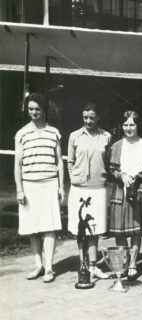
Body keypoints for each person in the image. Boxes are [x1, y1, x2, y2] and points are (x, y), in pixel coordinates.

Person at [14, 93, 64, 283]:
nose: (34, 112)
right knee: (33, 229)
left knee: (49, 228)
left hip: (49, 184)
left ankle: (50, 268)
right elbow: (17, 164)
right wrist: (19, 189)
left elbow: (59, 161)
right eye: (31, 109)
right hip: (29, 186)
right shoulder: (21, 134)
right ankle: (38, 266)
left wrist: (61, 187)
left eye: (37, 109)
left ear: (44, 110)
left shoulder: (54, 132)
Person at [108, 110, 142, 281]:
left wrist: (140, 176)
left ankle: (133, 264)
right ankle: (124, 263)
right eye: (126, 124)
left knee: (136, 230)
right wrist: (122, 176)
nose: (128, 128)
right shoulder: (116, 146)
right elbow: (111, 169)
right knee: (120, 231)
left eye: (132, 124)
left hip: (140, 190)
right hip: (121, 191)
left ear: (138, 125)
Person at [67, 103, 111, 280]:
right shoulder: (74, 136)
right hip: (79, 189)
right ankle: (82, 264)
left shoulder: (106, 136)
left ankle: (93, 266)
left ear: (98, 117)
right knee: (80, 230)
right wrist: (74, 177)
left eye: (92, 117)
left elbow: (108, 161)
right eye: (85, 117)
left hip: (98, 188)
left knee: (94, 228)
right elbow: (70, 161)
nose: (88, 121)